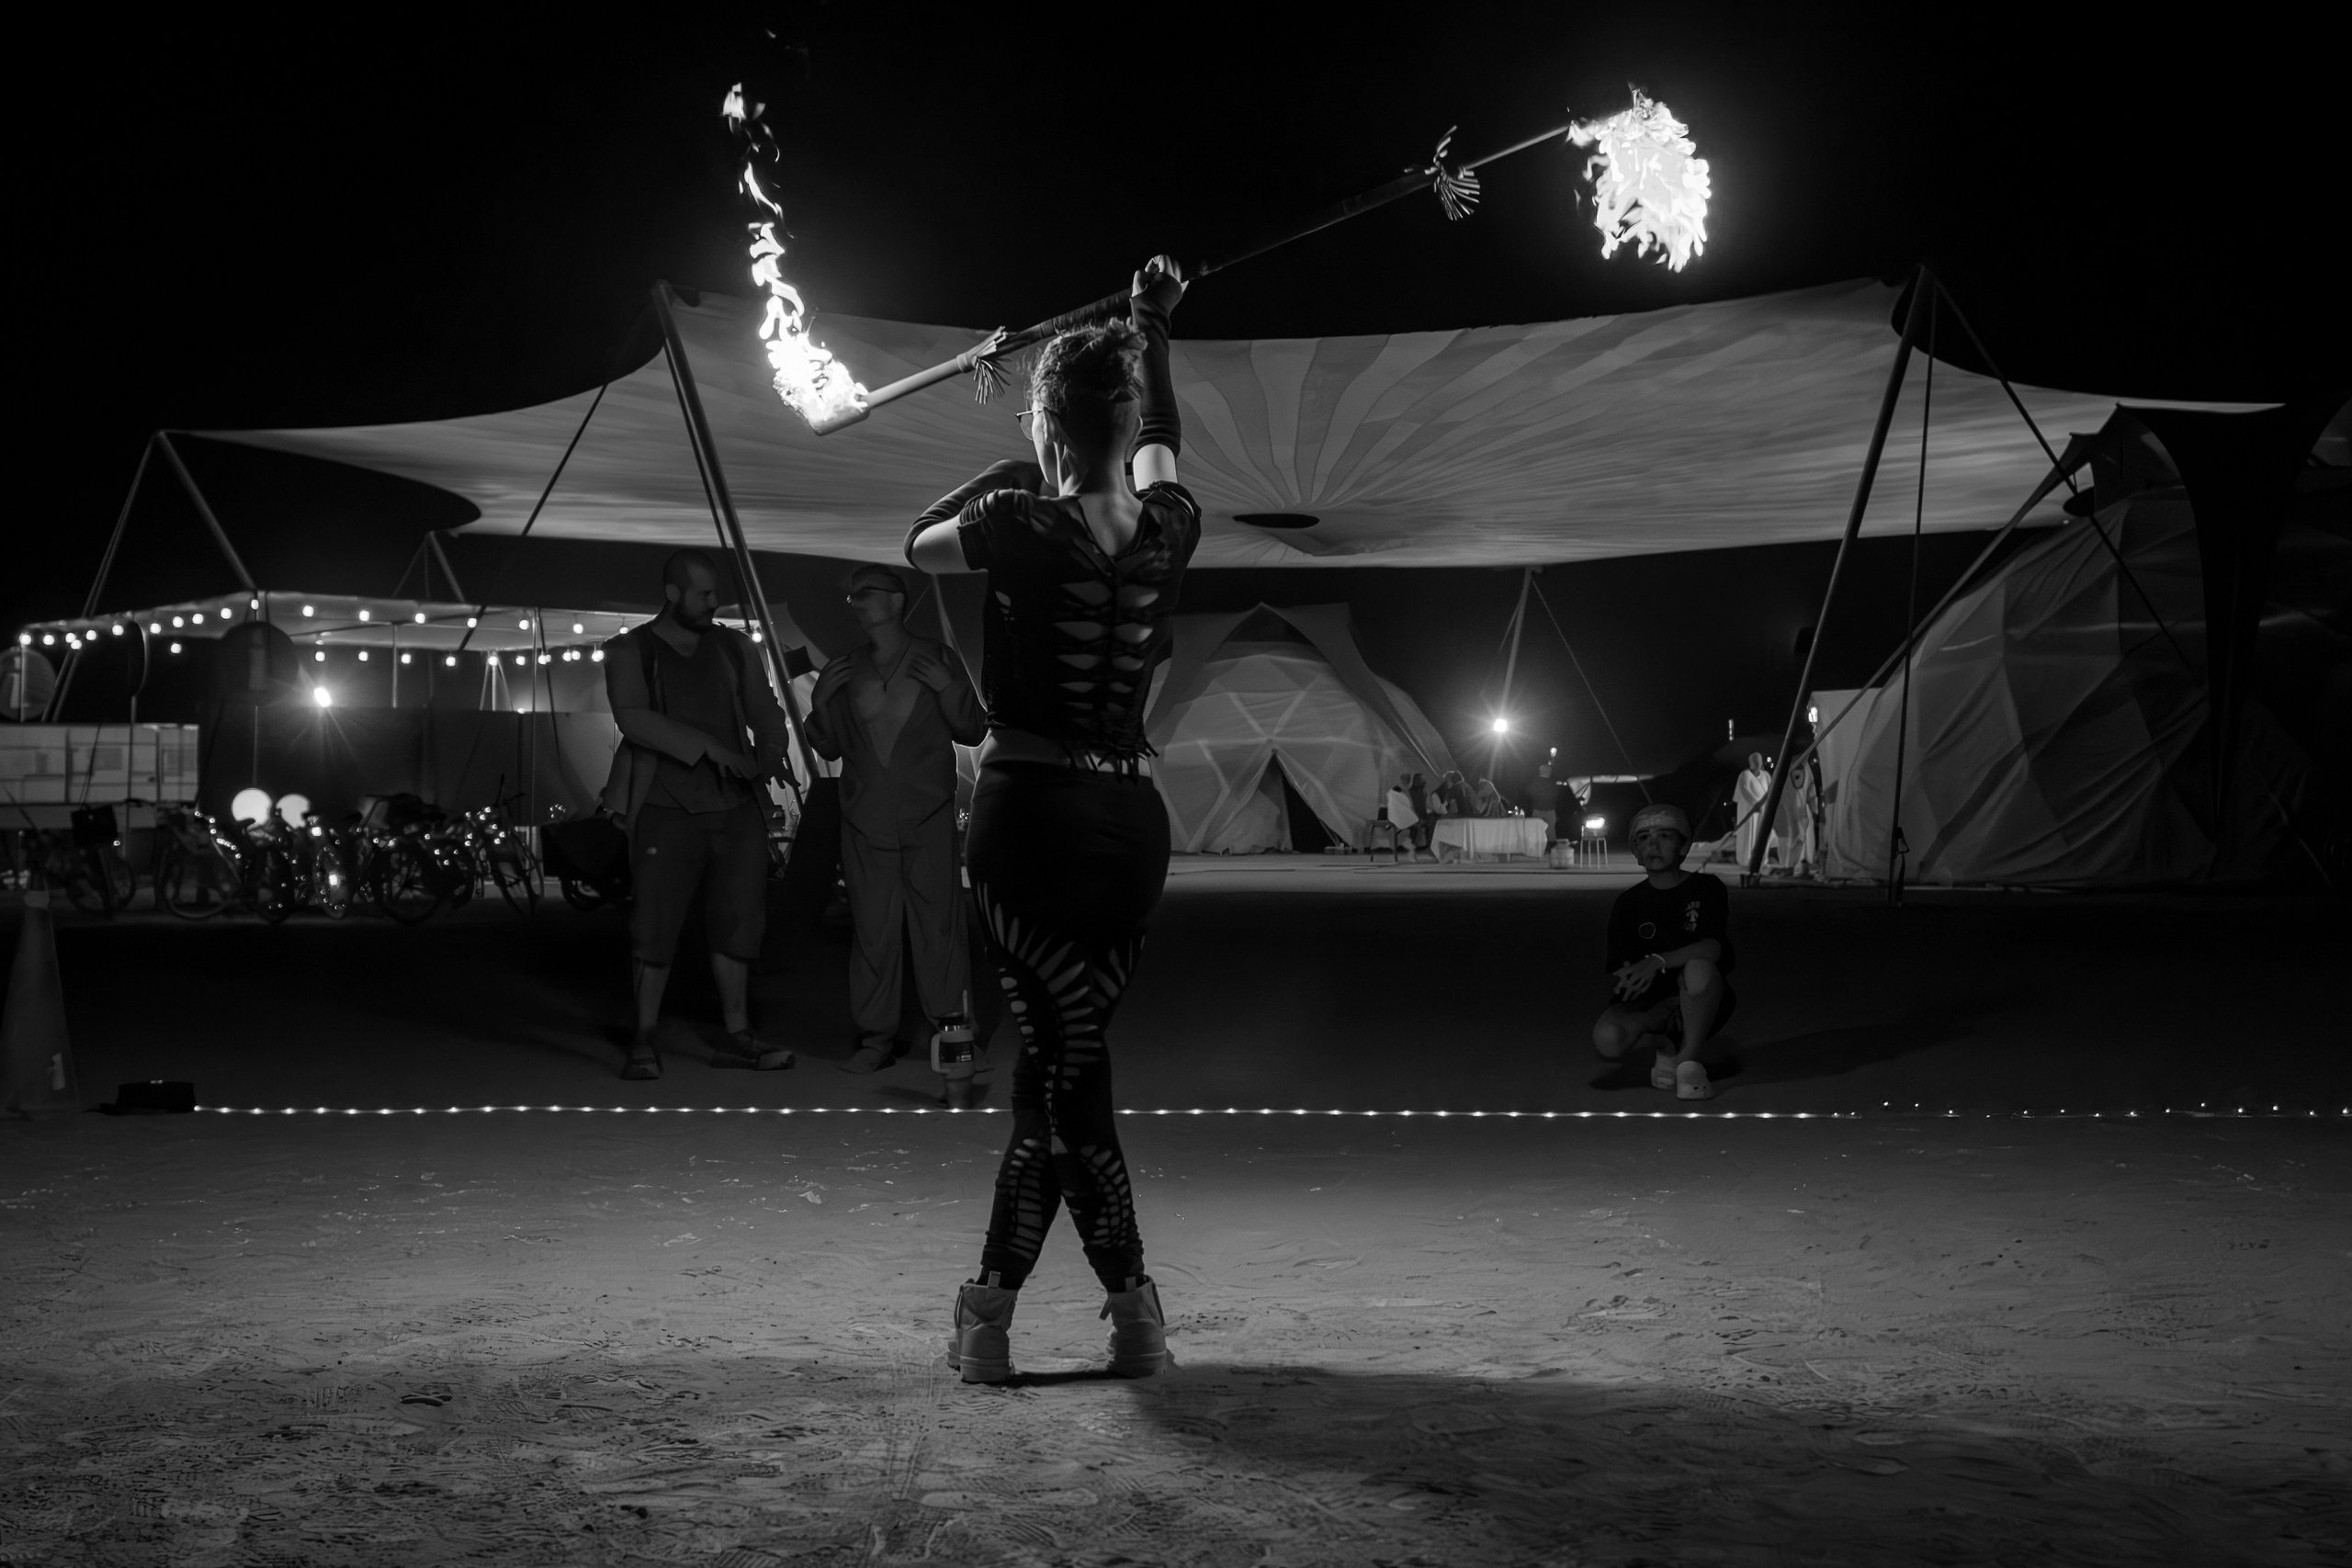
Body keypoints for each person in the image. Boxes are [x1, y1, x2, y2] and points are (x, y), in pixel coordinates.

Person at [904, 256, 1195, 1383]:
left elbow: (917, 540)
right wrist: (1150, 325)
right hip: (1127, 824)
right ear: (1120, 424)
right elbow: (1161, 437)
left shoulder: (1016, 524)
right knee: (1059, 1068)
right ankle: (1038, 1314)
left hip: (1029, 820)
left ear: (1045, 427)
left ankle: (1098, 1306)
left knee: (1063, 1072)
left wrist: (1006, 468)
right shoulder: (1172, 522)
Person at [602, 549, 797, 1079]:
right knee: (654, 924)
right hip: (665, 806)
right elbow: (634, 718)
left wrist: (771, 749)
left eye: (716, 593)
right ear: (673, 593)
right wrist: (711, 747)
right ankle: (644, 1036)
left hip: (736, 807)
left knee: (739, 921)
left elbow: (765, 710)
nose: (714, 602)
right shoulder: (629, 649)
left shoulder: (733, 646)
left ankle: (737, 1034)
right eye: (704, 593)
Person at [804, 563, 989, 1096]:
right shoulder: (847, 669)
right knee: (872, 931)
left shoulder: (935, 658)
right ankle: (875, 1038)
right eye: (853, 595)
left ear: (895, 600)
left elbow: (973, 728)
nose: (856, 603)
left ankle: (956, 1035)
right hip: (866, 822)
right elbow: (830, 743)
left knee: (940, 930)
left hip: (926, 818)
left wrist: (949, 689)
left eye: (866, 593)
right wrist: (820, 704)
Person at [1591, 802, 1737, 1100]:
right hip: (1655, 1003)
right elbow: (1621, 965)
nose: (1653, 845)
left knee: (1699, 968)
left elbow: (1712, 947)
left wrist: (1659, 961)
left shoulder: (1707, 888)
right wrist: (1628, 978)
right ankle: (1666, 1046)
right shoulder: (1628, 903)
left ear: (1684, 845)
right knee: (1608, 1038)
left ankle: (1688, 1062)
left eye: (1664, 836)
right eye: (1643, 838)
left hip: (1700, 995)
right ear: (1635, 851)